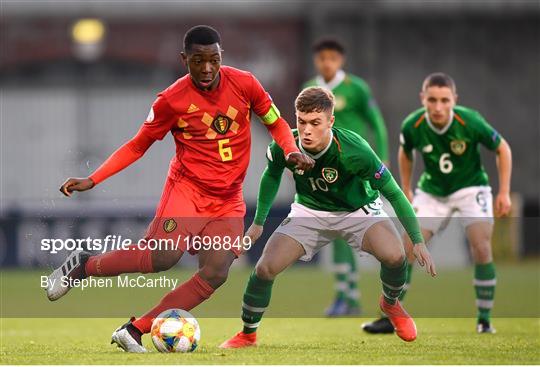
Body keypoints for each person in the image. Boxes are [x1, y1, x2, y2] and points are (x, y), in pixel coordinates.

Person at [45, 25, 314, 353]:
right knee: (162, 257)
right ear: (184, 59)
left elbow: (276, 123)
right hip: (187, 191)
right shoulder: (171, 100)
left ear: (221, 57)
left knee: (216, 272)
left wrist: (291, 151)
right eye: (198, 60)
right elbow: (137, 146)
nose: (206, 68)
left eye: (213, 60)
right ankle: (83, 266)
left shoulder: (245, 84)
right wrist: (95, 178)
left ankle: (135, 329)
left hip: (227, 199)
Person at [219, 87, 435, 348]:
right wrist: (258, 223)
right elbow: (272, 174)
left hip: (357, 211)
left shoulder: (355, 150)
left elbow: (394, 193)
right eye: (301, 121)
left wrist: (417, 240)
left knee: (396, 256)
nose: (306, 130)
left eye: (315, 123)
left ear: (330, 122)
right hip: (310, 211)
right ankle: (248, 334)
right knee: (265, 268)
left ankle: (390, 304)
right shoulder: (285, 145)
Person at [362, 72, 512, 334]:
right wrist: (406, 187)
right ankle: (390, 316)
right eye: (432, 100)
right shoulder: (413, 125)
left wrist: (504, 192)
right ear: (423, 99)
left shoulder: (471, 121)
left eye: (445, 100)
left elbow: (503, 148)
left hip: (471, 189)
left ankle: (484, 320)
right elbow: (405, 152)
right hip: (432, 192)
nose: (438, 107)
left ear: (455, 99)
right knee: (406, 248)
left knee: (481, 247)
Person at [303, 38, 389, 316]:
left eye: (332, 58)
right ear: (316, 60)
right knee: (337, 230)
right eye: (322, 58)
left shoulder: (356, 88)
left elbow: (376, 122)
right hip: (323, 169)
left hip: (354, 168)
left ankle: (359, 296)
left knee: (353, 229)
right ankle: (347, 296)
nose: (327, 62)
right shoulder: (309, 89)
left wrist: (384, 155)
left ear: (341, 61)